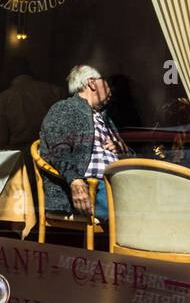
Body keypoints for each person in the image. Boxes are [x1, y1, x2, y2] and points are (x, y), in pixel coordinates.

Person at [39, 64, 129, 222]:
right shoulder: (66, 108)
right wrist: (75, 181)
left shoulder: (105, 118)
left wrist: (121, 148)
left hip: (120, 184)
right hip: (93, 187)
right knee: (139, 211)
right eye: (106, 82)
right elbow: (59, 150)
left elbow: (131, 155)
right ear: (92, 83)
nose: (110, 89)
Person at [0, 67, 62, 149]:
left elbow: (0, 137)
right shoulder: (55, 91)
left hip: (19, 155)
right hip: (51, 152)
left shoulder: (3, 98)